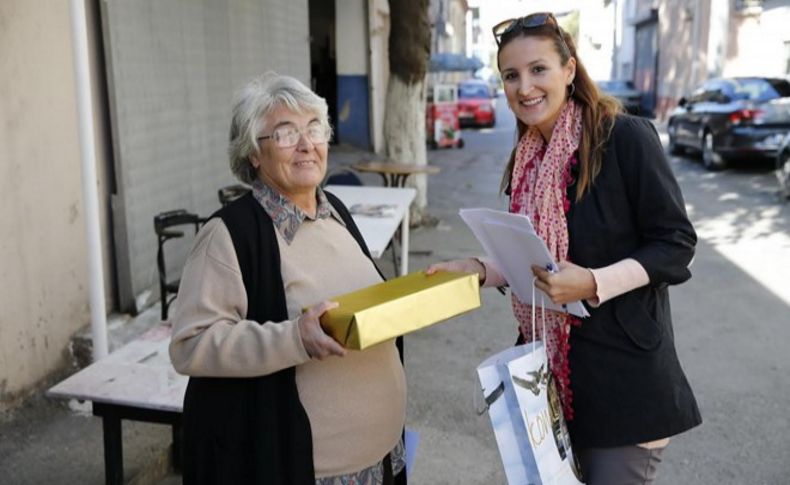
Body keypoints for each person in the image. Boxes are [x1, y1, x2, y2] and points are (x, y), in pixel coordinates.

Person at [427, 12, 700, 484]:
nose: (524, 86)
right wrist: (479, 269)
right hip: (551, 381)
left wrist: (594, 282)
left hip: (625, 387)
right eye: (511, 75)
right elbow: (538, 259)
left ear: (569, 70)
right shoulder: (529, 157)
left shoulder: (625, 138)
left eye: (538, 69)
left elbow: (676, 244)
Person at [169, 73, 407, 485]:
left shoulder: (334, 211)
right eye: (285, 133)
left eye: (315, 129)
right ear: (253, 154)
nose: (306, 144)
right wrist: (294, 338)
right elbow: (191, 346)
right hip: (308, 471)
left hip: (384, 458)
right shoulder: (231, 235)